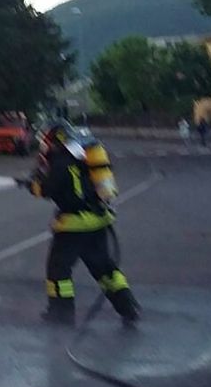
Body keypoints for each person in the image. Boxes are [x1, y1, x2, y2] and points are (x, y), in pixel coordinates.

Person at [19, 121, 140, 326]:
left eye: (47, 141)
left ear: (56, 141)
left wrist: (30, 185)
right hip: (98, 221)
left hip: (73, 225)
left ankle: (61, 314)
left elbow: (47, 189)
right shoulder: (83, 158)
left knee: (58, 270)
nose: (46, 145)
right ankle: (127, 306)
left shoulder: (60, 162)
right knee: (104, 268)